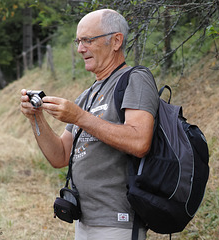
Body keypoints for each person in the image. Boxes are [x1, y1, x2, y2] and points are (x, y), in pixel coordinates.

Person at [21, 9, 159, 240]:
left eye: (87, 40)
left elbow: (139, 141)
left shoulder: (136, 78)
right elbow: (60, 156)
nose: (80, 49)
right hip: (84, 220)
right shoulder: (87, 95)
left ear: (116, 41)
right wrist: (35, 117)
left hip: (118, 222)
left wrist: (79, 117)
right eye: (78, 41)